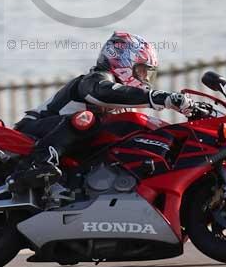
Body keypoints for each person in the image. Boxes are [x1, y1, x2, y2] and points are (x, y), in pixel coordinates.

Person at [11, 31, 190, 190]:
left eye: (148, 73)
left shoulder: (124, 104)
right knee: (88, 119)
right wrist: (160, 98)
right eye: (141, 71)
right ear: (123, 61)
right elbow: (105, 92)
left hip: (71, 150)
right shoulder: (95, 80)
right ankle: (34, 166)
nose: (145, 78)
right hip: (33, 132)